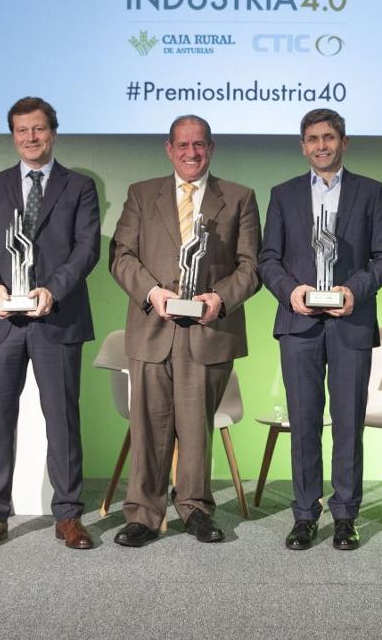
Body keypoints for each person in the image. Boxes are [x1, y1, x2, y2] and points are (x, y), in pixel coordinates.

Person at [108, 115, 261, 547]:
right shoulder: (141, 195)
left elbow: (251, 267)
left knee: (197, 429)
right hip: (152, 327)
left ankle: (195, 509)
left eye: (199, 145)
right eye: (182, 145)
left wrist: (220, 299)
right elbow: (121, 255)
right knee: (149, 427)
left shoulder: (239, 198)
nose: (191, 153)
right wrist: (152, 292)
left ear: (211, 148)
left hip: (208, 330)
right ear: (168, 148)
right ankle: (143, 515)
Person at [0, 97, 100, 551]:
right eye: (22, 131)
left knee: (62, 420)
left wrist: (52, 290)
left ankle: (69, 515)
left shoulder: (79, 187)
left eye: (38, 129)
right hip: (1, 320)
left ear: (53, 132)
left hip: (55, 318)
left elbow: (86, 249)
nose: (30, 138)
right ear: (13, 135)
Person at [258, 108, 382, 550]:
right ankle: (303, 515)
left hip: (350, 321)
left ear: (344, 142)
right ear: (303, 146)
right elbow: (268, 260)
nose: (321, 145)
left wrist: (354, 290)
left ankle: (345, 516)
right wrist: (290, 291)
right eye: (313, 138)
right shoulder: (283, 194)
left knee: (349, 422)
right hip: (299, 322)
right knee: (303, 423)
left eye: (329, 137)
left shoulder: (371, 192)